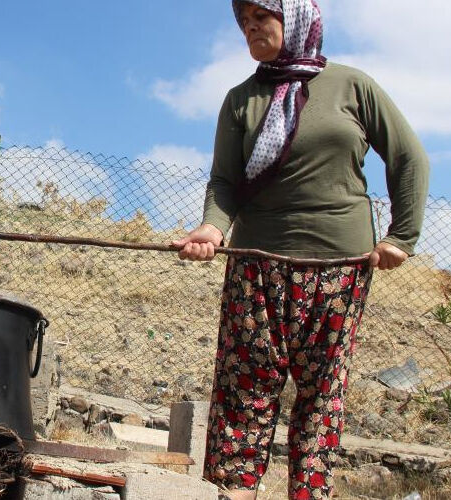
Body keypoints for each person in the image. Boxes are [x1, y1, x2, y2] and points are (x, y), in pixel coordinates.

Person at [171, 1, 429, 499]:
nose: (249, 29)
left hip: (339, 268)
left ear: (296, 18)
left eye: (261, 18)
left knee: (319, 397)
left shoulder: (353, 87)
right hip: (256, 267)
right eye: (243, 23)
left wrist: (402, 237)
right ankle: (233, 493)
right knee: (244, 392)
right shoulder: (240, 99)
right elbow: (224, 181)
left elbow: (408, 157)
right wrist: (211, 229)